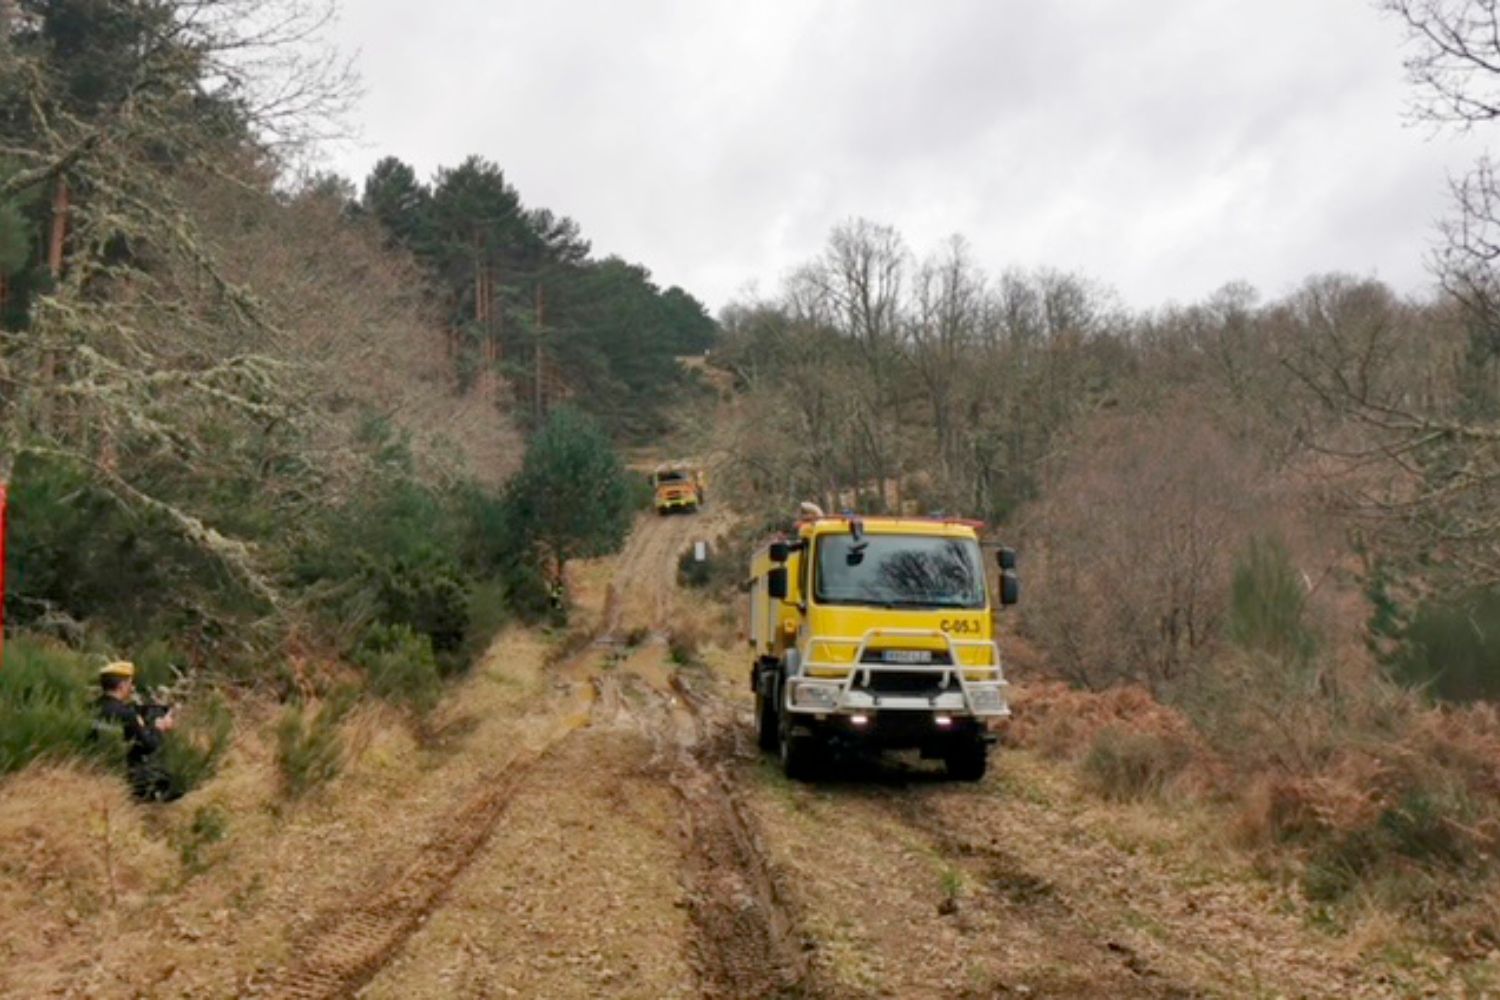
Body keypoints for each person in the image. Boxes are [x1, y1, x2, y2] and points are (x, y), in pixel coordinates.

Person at [94, 660, 181, 802]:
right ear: (122, 686)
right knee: (172, 782)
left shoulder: (90, 708)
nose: (132, 687)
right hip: (125, 774)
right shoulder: (127, 714)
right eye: (130, 683)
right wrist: (159, 728)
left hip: (96, 769)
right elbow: (149, 745)